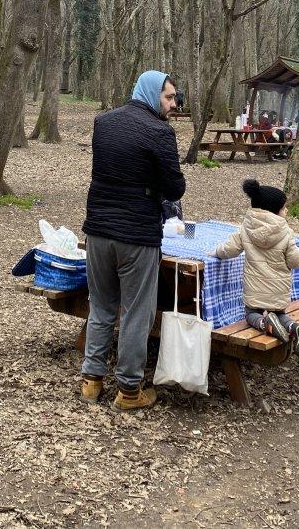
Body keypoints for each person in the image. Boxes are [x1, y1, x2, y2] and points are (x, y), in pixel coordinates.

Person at [79, 70, 185, 412]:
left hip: (97, 229)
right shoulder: (159, 131)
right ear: (152, 93)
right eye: (168, 97)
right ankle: (128, 390)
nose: (173, 104)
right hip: (136, 235)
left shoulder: (103, 122)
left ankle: (92, 381)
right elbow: (175, 188)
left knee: (102, 306)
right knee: (138, 313)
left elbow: (113, 169)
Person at [211, 180, 299, 354]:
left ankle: (265, 324)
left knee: (250, 315)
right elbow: (295, 262)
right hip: (279, 290)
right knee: (281, 315)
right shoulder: (286, 232)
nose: (286, 211)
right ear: (273, 211)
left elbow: (229, 249)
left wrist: (215, 252)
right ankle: (294, 327)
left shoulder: (245, 229)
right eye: (284, 208)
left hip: (254, 291)